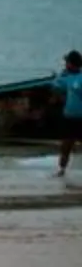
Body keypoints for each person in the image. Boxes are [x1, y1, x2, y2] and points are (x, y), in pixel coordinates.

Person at [54, 50, 82, 179]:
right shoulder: (66, 77)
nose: (65, 64)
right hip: (69, 117)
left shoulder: (79, 78)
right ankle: (61, 171)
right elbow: (56, 84)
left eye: (67, 62)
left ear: (72, 64)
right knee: (66, 146)